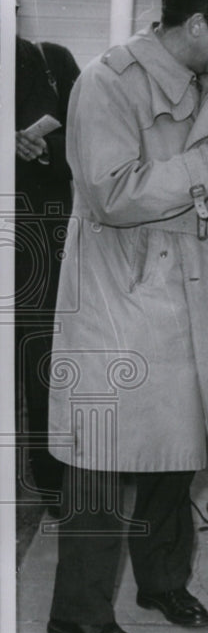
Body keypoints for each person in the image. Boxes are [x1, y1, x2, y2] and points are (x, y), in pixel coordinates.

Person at [46, 0, 208, 633]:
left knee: (176, 447)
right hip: (120, 294)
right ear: (195, 24)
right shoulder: (106, 82)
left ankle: (161, 582)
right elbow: (110, 193)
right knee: (101, 454)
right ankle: (76, 612)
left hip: (187, 288)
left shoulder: (204, 80)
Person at [15, 34, 80, 513]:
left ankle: (51, 478)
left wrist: (41, 146)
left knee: (43, 359)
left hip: (38, 236)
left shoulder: (46, 59)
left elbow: (82, 135)